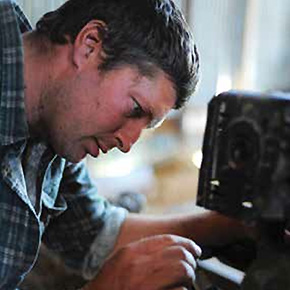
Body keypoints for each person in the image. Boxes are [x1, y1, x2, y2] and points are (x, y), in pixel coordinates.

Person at [0, 0, 247, 289]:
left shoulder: (54, 129)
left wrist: (230, 227)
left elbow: (96, 233)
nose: (128, 143)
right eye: (135, 109)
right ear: (90, 45)